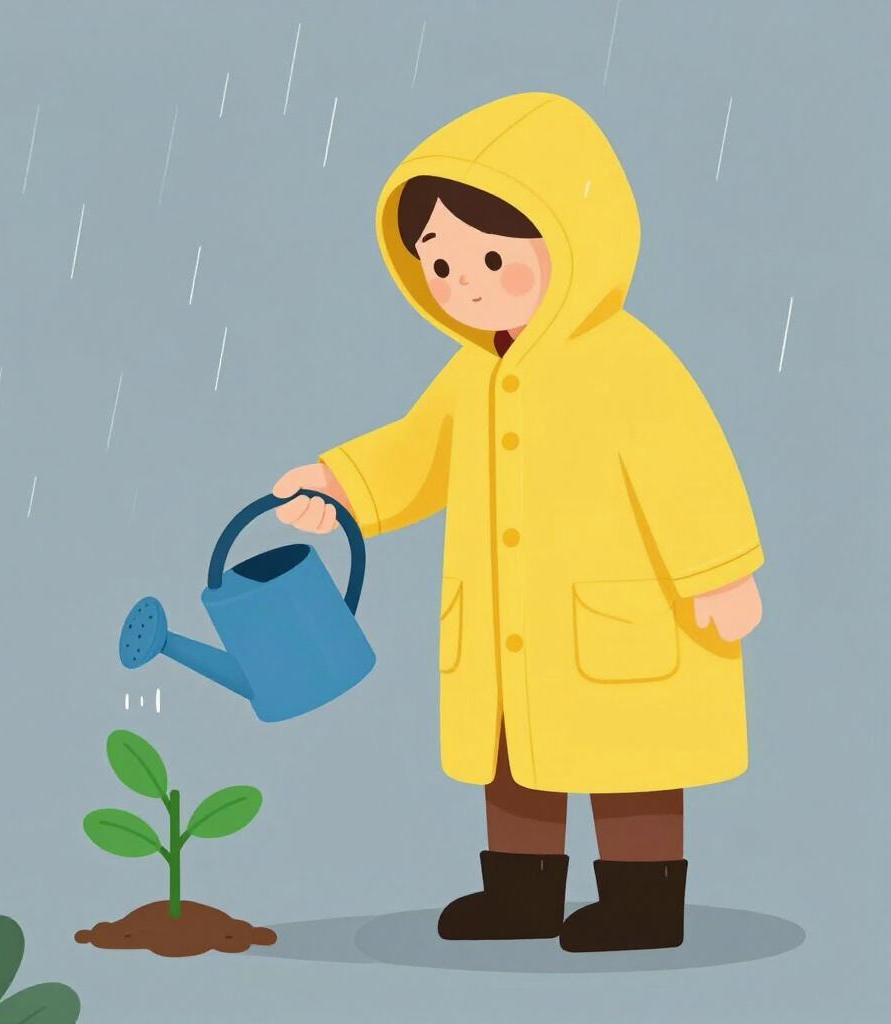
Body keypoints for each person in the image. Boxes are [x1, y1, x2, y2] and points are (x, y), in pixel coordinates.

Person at [272, 93, 764, 953]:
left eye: (492, 258)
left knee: (630, 763)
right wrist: (341, 482)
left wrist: (719, 570)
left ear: (572, 244)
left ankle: (645, 907)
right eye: (440, 264)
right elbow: (416, 454)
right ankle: (523, 897)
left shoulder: (627, 363)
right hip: (509, 628)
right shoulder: (471, 374)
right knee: (513, 760)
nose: (464, 284)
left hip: (619, 621)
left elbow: (690, 470)